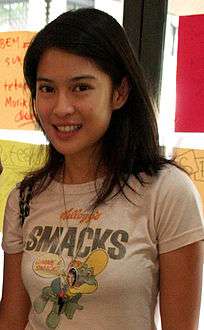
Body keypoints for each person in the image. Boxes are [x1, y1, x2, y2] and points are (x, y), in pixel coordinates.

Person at [0, 8, 203, 330]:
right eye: (47, 89)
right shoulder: (24, 198)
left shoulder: (166, 191)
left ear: (119, 93)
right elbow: (12, 320)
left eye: (81, 87)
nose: (61, 108)